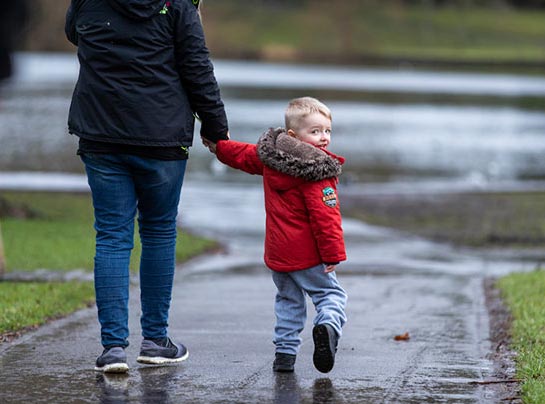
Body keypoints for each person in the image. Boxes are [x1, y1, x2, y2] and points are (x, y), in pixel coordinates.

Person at [65, 0, 228, 373]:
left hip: (101, 133)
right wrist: (216, 128)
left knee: (111, 236)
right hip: (161, 137)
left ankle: (113, 349)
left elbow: (74, 33)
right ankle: (155, 341)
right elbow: (197, 67)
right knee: (157, 231)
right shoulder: (178, 5)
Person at [205, 97, 348, 373]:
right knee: (331, 295)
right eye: (315, 131)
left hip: (278, 254)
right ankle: (327, 327)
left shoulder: (272, 159)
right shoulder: (318, 170)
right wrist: (333, 255)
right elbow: (326, 218)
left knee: (288, 300)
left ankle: (284, 354)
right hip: (309, 254)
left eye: (327, 131)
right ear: (294, 135)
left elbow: (244, 155)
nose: (324, 138)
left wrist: (219, 147)